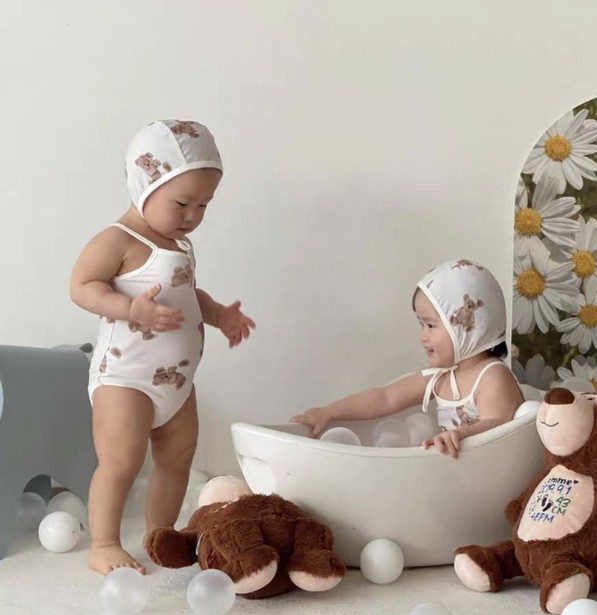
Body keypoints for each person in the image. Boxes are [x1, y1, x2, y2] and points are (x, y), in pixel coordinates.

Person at [70, 119, 255, 575]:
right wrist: (130, 308)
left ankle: (160, 533)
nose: (192, 215)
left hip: (176, 383)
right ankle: (103, 543)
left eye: (203, 205)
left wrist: (220, 316)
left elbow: (188, 295)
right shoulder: (118, 240)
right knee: (121, 460)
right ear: (145, 184)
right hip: (125, 378)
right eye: (182, 203)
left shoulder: (179, 244)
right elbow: (82, 286)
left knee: (178, 456)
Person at [291, 258, 523, 458]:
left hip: (489, 472)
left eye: (430, 325)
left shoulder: (492, 377)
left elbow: (500, 428)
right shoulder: (441, 377)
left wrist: (462, 434)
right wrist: (329, 411)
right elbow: (386, 397)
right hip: (459, 472)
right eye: (421, 324)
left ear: (468, 330)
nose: (423, 336)